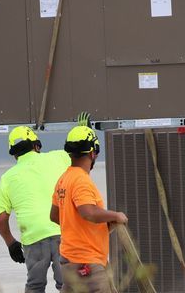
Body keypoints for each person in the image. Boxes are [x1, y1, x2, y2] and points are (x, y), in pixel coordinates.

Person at [50, 125, 128, 293]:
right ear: (93, 153)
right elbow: (88, 212)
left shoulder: (63, 180)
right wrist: (116, 215)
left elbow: (55, 216)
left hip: (69, 261)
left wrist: (99, 227)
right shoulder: (81, 180)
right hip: (87, 265)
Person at [0, 125, 70, 292]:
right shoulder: (59, 158)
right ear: (37, 146)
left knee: (35, 286)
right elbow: (80, 156)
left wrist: (11, 244)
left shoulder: (7, 179)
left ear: (14, 154)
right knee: (67, 284)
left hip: (33, 239)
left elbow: (1, 219)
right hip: (63, 232)